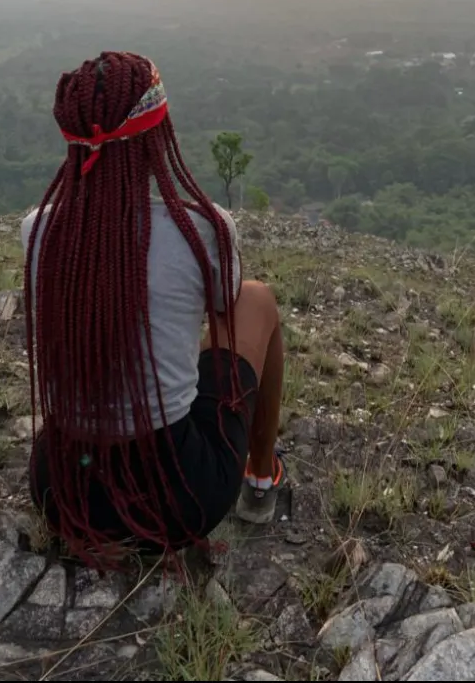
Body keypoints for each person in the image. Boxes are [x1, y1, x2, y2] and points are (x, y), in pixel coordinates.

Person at [22, 50, 285, 561]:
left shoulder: (38, 231)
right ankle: (260, 475)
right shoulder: (203, 231)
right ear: (156, 137)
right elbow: (223, 307)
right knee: (257, 299)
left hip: (60, 490)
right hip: (180, 498)